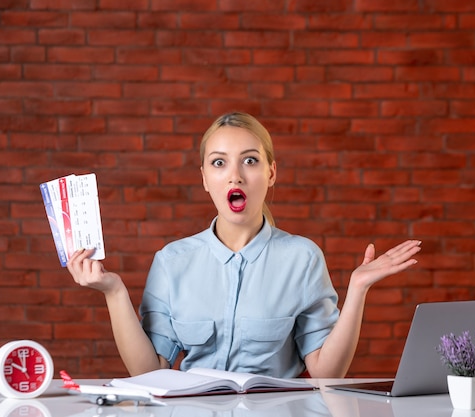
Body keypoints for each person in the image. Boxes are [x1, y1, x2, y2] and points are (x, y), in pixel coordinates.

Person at [67, 112, 421, 378]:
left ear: (271, 173)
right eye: (219, 163)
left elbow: (327, 375)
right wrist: (113, 292)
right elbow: (150, 372)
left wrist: (358, 289)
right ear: (205, 178)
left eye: (250, 160)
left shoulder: (302, 258)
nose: (235, 175)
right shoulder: (172, 260)